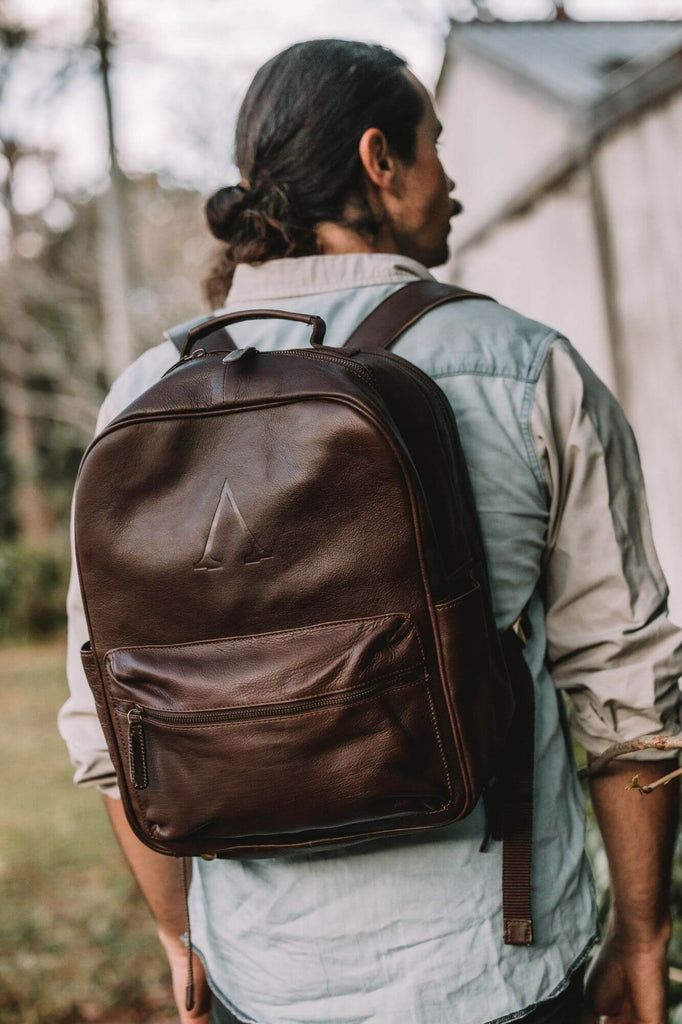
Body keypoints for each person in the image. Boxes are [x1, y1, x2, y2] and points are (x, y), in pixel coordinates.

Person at [59, 38, 682, 1024]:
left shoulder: (143, 397)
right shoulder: (524, 366)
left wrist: (183, 939)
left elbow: (110, 724)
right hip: (497, 967)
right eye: (436, 147)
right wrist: (641, 936)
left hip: (264, 980)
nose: (455, 183)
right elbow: (627, 691)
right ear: (378, 159)